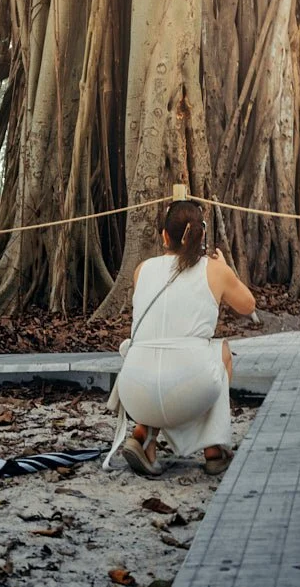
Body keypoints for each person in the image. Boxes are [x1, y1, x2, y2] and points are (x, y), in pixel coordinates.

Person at [111, 201, 256, 478]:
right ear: (201, 236)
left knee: (157, 353)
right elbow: (248, 306)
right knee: (221, 351)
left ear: (165, 236)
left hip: (135, 392)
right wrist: (225, 268)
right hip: (190, 390)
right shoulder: (214, 269)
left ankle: (144, 438)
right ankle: (213, 449)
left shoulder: (142, 269)